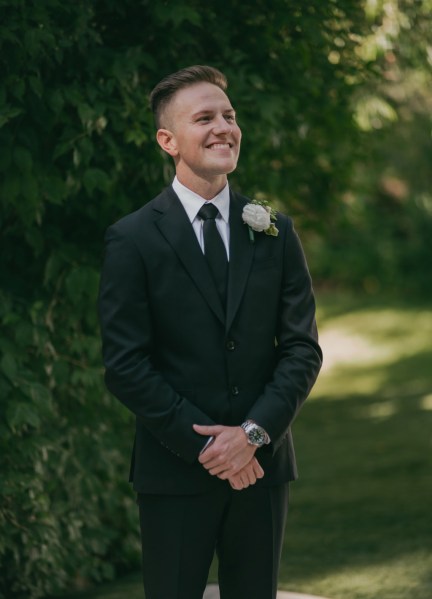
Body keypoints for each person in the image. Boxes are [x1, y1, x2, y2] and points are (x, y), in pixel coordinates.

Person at [98, 65, 322, 599]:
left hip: (261, 469)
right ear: (167, 140)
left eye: (229, 115)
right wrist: (210, 448)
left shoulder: (273, 230)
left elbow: (300, 350)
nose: (224, 126)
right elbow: (126, 365)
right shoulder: (131, 239)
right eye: (205, 117)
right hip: (173, 473)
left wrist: (250, 436)